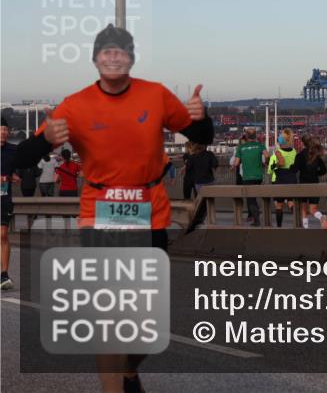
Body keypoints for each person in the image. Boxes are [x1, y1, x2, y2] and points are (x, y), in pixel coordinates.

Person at [13, 23, 213, 392]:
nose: (114, 57)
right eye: (106, 51)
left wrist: (203, 117)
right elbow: (26, 152)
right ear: (95, 60)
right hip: (101, 211)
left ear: (131, 59)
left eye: (121, 51)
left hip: (150, 209)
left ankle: (129, 371)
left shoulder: (155, 96)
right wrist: (44, 142)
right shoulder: (75, 105)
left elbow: (202, 136)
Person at [1, 118, 21, 290]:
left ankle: (4, 275)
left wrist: (13, 175)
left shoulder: (13, 150)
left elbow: (20, 166)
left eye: (5, 130)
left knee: (2, 235)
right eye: (1, 130)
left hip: (4, 198)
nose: (3, 133)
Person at [293, 134, 327, 228]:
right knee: (313, 209)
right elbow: (324, 170)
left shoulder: (300, 156)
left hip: (303, 185)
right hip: (315, 184)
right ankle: (321, 217)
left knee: (304, 209)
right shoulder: (316, 156)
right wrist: (316, 173)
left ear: (303, 143)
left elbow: (294, 170)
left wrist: (290, 167)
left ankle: (306, 228)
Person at [233, 127, 267, 225]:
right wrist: (266, 163)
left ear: (247, 136)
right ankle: (256, 216)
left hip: (247, 177)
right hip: (259, 176)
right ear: (255, 136)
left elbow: (236, 163)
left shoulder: (241, 148)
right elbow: (267, 155)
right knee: (254, 197)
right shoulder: (260, 145)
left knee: (251, 199)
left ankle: (256, 220)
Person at [268, 128, 298, 228]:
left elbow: (271, 170)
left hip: (279, 181)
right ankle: (298, 222)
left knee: (279, 205)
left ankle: (279, 226)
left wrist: (274, 166)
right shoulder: (294, 152)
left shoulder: (277, 153)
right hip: (292, 180)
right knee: (290, 202)